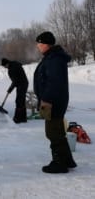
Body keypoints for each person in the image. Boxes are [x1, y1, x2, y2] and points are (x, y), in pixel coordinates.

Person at [34, 31, 76, 173]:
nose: (38, 46)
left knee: (52, 132)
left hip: (51, 102)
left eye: (39, 43)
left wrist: (45, 100)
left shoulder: (54, 59)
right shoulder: (51, 57)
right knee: (57, 130)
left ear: (46, 44)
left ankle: (59, 163)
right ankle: (67, 160)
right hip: (52, 100)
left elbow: (54, 83)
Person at [1, 58, 29, 123]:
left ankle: (18, 118)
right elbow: (15, 80)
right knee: (21, 101)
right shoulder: (15, 64)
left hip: (21, 85)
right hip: (24, 83)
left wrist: (10, 89)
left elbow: (15, 81)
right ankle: (23, 118)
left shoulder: (12, 69)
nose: (5, 67)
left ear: (7, 64)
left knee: (19, 101)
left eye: (4, 66)